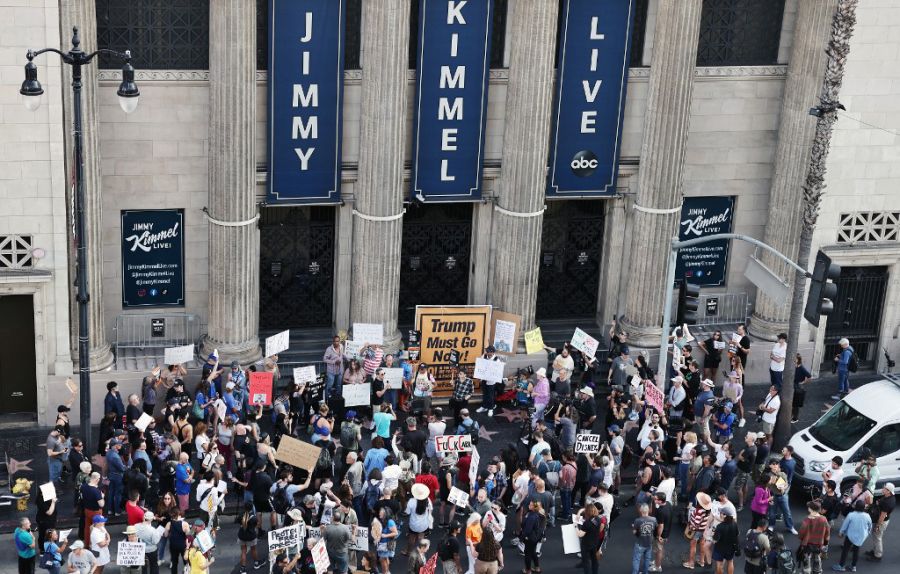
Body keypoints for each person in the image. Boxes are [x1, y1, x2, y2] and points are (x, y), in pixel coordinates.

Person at [834, 500, 872, 572]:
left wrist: (841, 532)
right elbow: (870, 525)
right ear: (864, 507)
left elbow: (845, 525)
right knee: (856, 551)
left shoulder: (851, 515)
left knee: (845, 550)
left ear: (855, 506)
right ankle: (853, 566)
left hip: (850, 536)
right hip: (861, 537)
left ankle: (841, 566)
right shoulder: (867, 516)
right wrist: (867, 533)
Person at [864, 483, 895, 563]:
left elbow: (882, 516)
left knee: (877, 538)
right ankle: (875, 551)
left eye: (884, 488)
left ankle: (878, 555)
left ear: (888, 491)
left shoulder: (887, 502)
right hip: (883, 520)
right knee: (876, 537)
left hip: (881, 522)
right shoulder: (890, 497)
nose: (882, 489)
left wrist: (878, 526)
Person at [683, 492, 712, 570]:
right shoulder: (709, 510)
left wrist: (690, 527)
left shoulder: (698, 511)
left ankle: (691, 563)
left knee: (693, 546)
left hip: (697, 531)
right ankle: (702, 561)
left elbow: (696, 524)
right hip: (704, 530)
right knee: (702, 544)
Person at [631, 503, 656, 574]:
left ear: (640, 511)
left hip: (640, 543)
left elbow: (634, 532)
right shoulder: (653, 519)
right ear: (648, 510)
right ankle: (645, 572)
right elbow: (655, 528)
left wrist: (634, 527)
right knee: (647, 559)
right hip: (649, 542)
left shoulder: (637, 520)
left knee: (636, 560)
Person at [712, 506, 738, 574]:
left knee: (719, 564)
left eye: (721, 513)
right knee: (730, 562)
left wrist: (713, 535)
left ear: (724, 515)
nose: (720, 514)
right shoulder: (734, 524)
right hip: (731, 548)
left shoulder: (720, 526)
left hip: (719, 549)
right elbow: (737, 534)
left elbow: (715, 540)